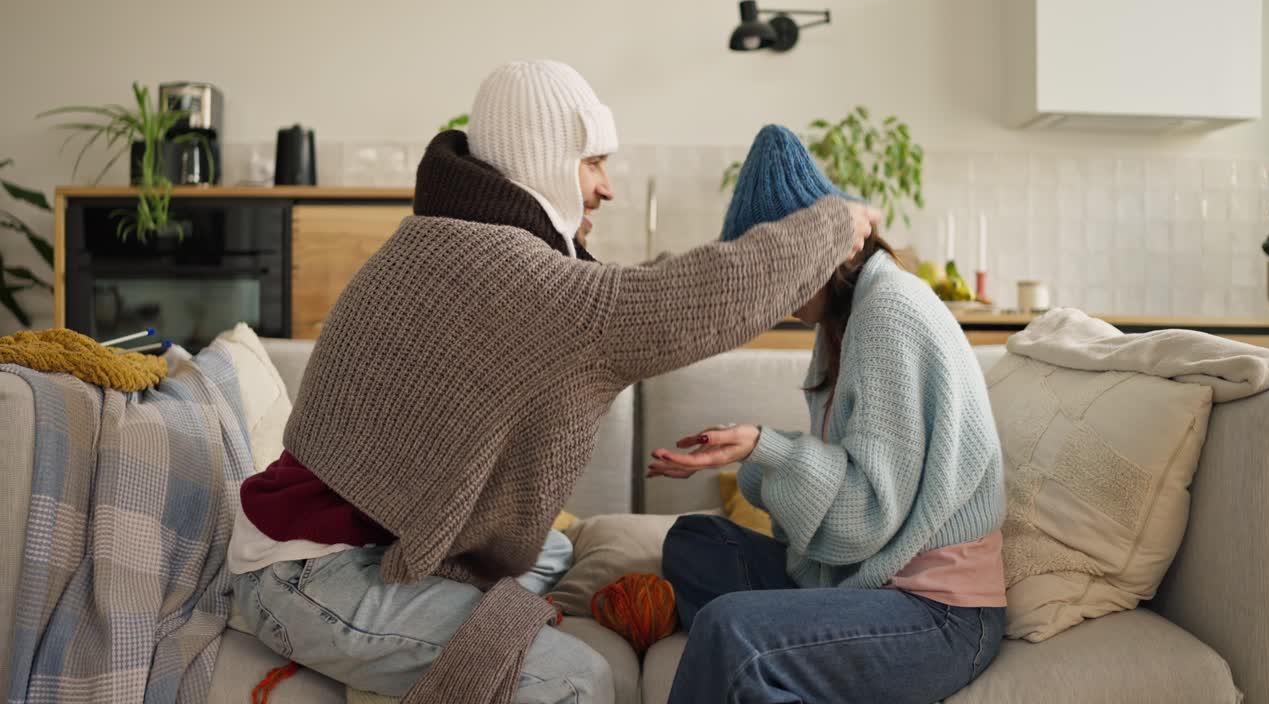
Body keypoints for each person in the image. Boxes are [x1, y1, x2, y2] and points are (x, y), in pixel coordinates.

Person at [226, 63, 877, 704]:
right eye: (592, 163)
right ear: (543, 162)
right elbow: (678, 301)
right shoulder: (511, 275)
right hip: (310, 574)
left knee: (552, 553)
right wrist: (833, 226)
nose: (606, 188)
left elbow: (632, 296)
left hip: (350, 545)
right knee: (576, 678)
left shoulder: (445, 240)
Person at [649, 125, 1006, 704]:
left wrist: (764, 447)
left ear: (821, 250)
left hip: (938, 611)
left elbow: (864, 519)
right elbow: (845, 488)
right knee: (694, 541)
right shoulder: (841, 321)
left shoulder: (889, 312)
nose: (772, 295)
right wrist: (752, 453)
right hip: (866, 578)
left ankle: (765, 661)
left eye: (776, 271)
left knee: (728, 628)